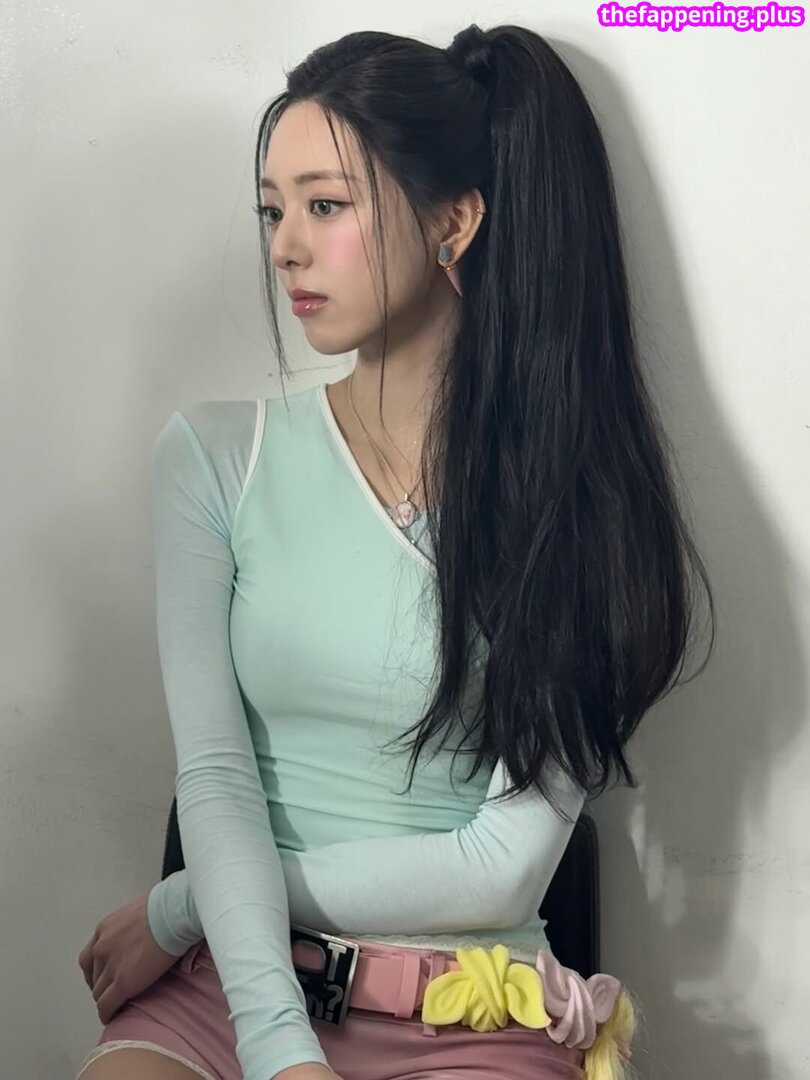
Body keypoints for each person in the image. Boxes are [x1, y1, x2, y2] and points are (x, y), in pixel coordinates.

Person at [75, 21, 715, 1080]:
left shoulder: (577, 511)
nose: (286, 246)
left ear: (454, 220)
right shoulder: (213, 458)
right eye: (273, 210)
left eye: (326, 205)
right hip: (231, 993)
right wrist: (282, 1053)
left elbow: (501, 868)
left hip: (470, 1009)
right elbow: (216, 781)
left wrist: (181, 903)